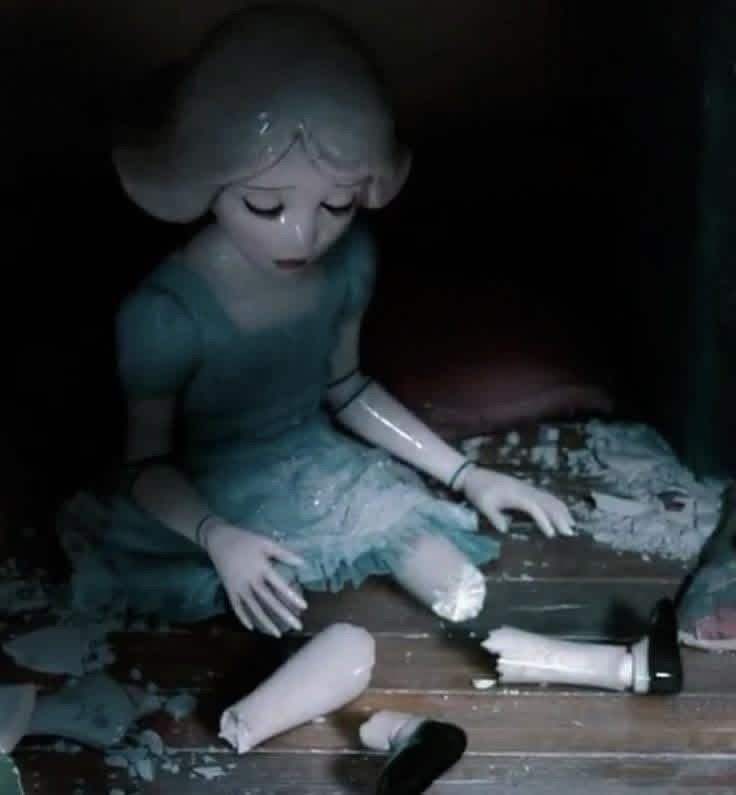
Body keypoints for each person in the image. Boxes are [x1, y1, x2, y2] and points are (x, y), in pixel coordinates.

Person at [59, 5, 574, 638]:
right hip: (203, 489)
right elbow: (146, 463)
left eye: (338, 204)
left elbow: (347, 388)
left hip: (313, 462)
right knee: (237, 603)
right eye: (264, 205)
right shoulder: (165, 314)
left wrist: (468, 476)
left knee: (439, 564)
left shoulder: (349, 262)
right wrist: (216, 535)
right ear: (202, 181)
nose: (304, 236)